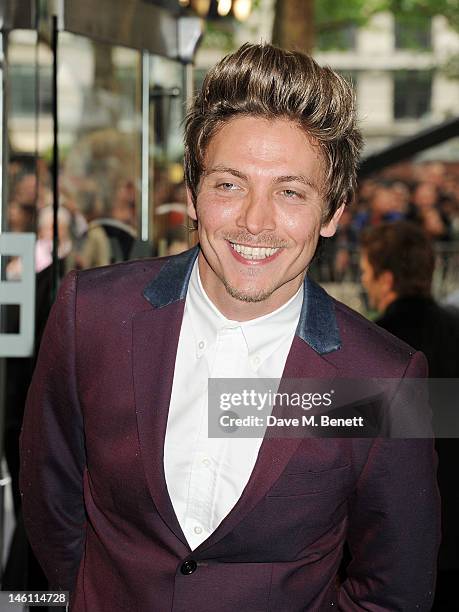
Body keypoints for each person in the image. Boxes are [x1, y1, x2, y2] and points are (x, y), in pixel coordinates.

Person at [20, 43, 439, 611]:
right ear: (192, 194)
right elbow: (52, 499)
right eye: (229, 185)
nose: (254, 221)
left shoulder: (386, 379)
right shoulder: (90, 313)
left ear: (334, 212)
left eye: (290, 192)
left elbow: (395, 589)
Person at [360, 220, 459, 610]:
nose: (365, 282)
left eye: (366, 272)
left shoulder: (371, 349)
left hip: (398, 543)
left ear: (385, 279)